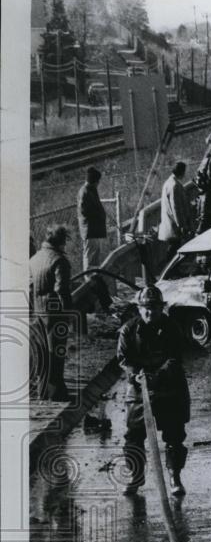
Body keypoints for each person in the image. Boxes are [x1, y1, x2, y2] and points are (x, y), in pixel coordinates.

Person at [117, 285, 190, 496]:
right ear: (139, 309)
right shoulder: (128, 331)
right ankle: (135, 476)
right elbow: (123, 360)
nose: (151, 312)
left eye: (155, 308)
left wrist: (156, 376)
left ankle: (174, 477)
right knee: (133, 435)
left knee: (175, 436)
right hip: (139, 390)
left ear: (161, 309)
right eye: (146, 308)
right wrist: (137, 375)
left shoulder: (172, 328)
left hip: (169, 387)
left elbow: (175, 358)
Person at [29, 225, 73, 401]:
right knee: (57, 353)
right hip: (55, 314)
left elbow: (31, 286)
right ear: (61, 242)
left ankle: (43, 393)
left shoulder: (35, 258)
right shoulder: (59, 260)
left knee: (42, 354)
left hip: (38, 312)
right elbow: (62, 290)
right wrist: (68, 314)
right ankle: (56, 394)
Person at [157, 162, 193, 262]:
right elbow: (176, 207)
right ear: (181, 172)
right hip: (174, 224)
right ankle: (171, 271)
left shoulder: (168, 182)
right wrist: (181, 225)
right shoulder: (175, 185)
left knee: (173, 247)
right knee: (174, 248)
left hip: (169, 222)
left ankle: (172, 270)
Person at [77, 166, 107, 272]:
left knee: (94, 253)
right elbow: (84, 211)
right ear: (94, 181)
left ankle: (94, 275)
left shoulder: (89, 190)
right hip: (89, 229)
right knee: (89, 255)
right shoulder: (85, 191)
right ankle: (88, 278)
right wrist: (98, 214)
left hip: (93, 229)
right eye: (97, 181)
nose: (98, 184)